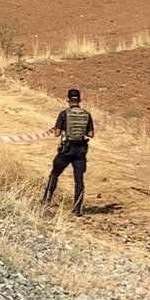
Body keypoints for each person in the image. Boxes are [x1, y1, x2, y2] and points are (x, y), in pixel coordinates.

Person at [41, 88, 95, 216]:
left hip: (66, 150)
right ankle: (77, 209)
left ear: (68, 100)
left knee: (54, 173)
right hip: (81, 151)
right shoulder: (87, 114)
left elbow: (56, 134)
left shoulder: (64, 114)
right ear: (79, 100)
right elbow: (91, 134)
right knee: (79, 180)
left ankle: (46, 200)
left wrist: (61, 127)